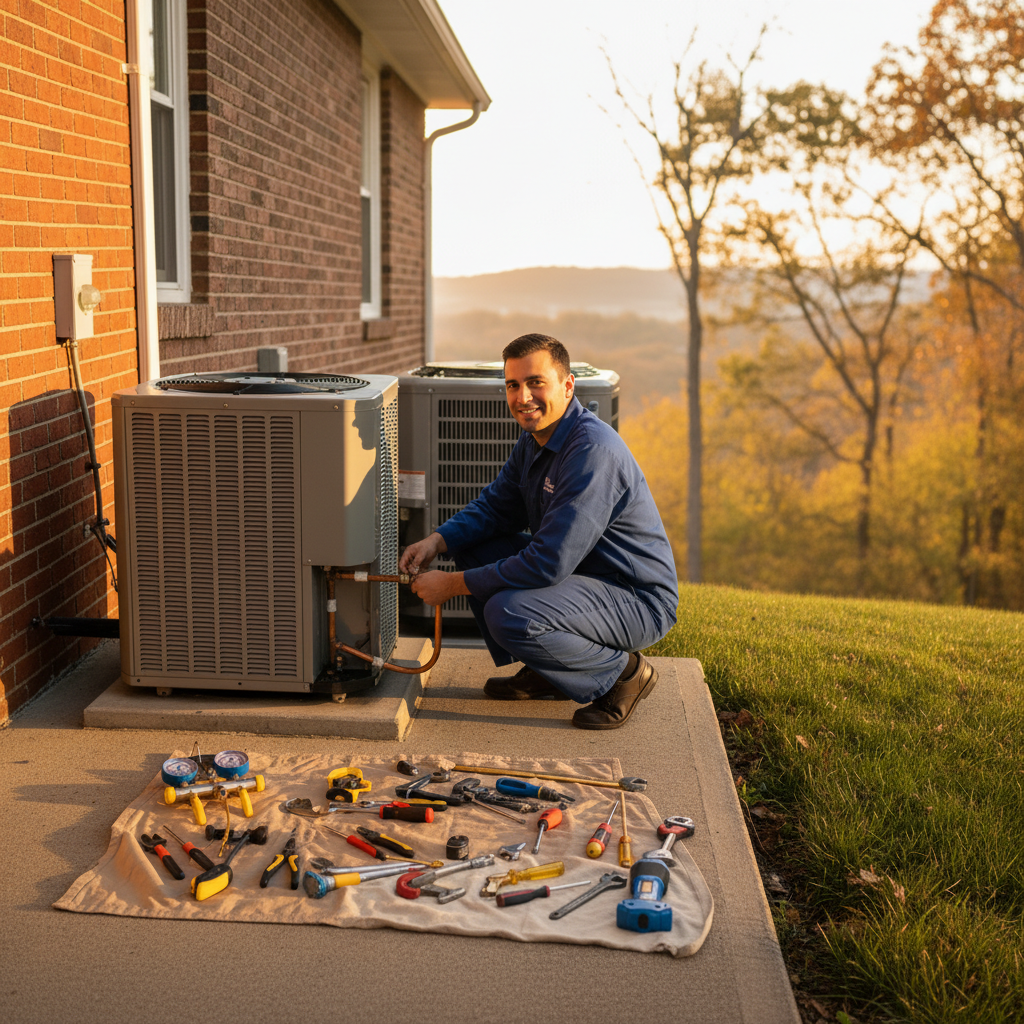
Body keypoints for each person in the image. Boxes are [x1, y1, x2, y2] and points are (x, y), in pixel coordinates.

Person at [398, 334, 678, 729]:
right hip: (585, 579)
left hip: (635, 597)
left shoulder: (591, 453)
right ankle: (551, 670)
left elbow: (548, 563)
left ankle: (624, 673)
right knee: (475, 545)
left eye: (535, 382)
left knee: (508, 612)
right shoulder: (535, 440)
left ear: (567, 386)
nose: (522, 396)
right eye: (513, 385)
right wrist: (436, 541)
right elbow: (495, 507)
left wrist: (453, 585)